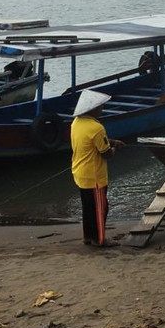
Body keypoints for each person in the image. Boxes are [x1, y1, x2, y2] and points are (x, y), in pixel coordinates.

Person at [70, 90, 125, 247]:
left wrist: (113, 141)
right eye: (100, 107)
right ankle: (99, 239)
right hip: (94, 176)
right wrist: (114, 149)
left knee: (88, 208)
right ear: (91, 109)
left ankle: (88, 236)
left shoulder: (76, 123)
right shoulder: (96, 127)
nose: (102, 109)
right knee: (101, 209)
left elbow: (93, 141)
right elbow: (106, 154)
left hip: (80, 173)